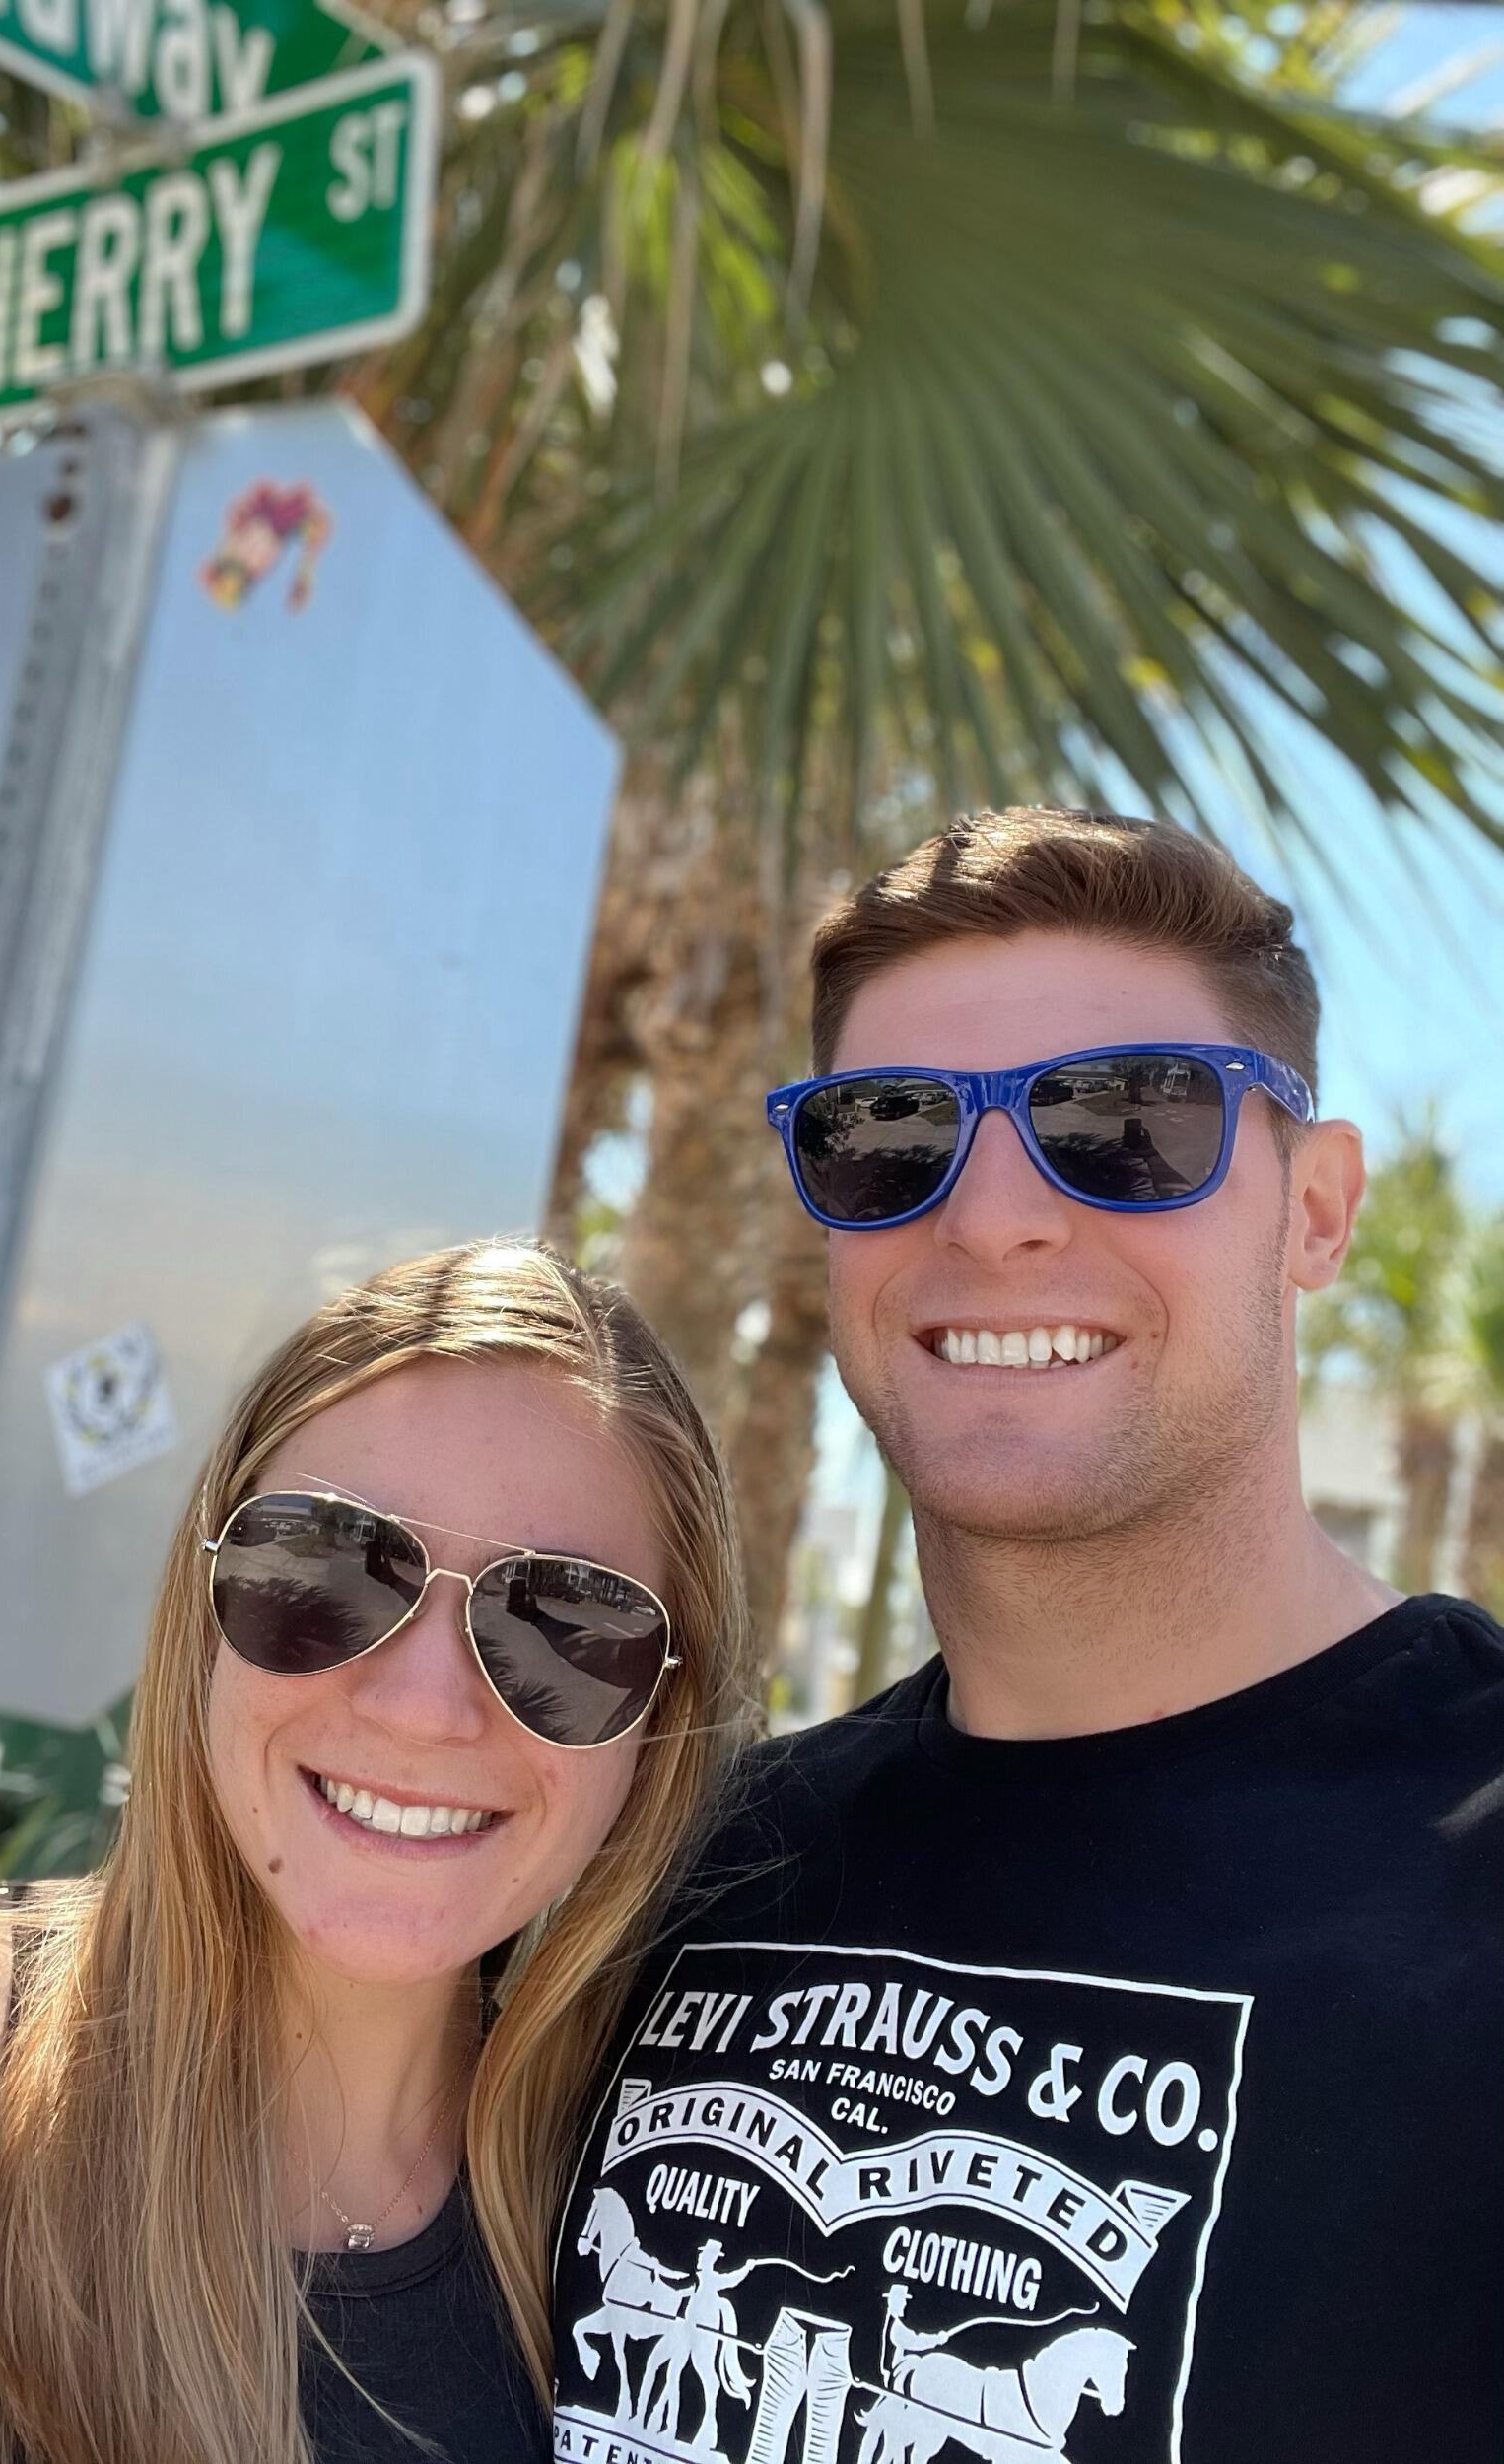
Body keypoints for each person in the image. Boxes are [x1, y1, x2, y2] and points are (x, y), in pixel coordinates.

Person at [550, 807, 1504, 2464]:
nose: (991, 1220)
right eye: (889, 1132)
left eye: (1127, 1121)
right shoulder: (672, 1873)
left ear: (1318, 1210)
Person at [0, 1239, 755, 2464]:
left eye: (566, 1624)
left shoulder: (642, 2272)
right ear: (205, 1597)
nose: (425, 1706)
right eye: (325, 1563)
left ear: (661, 1722)